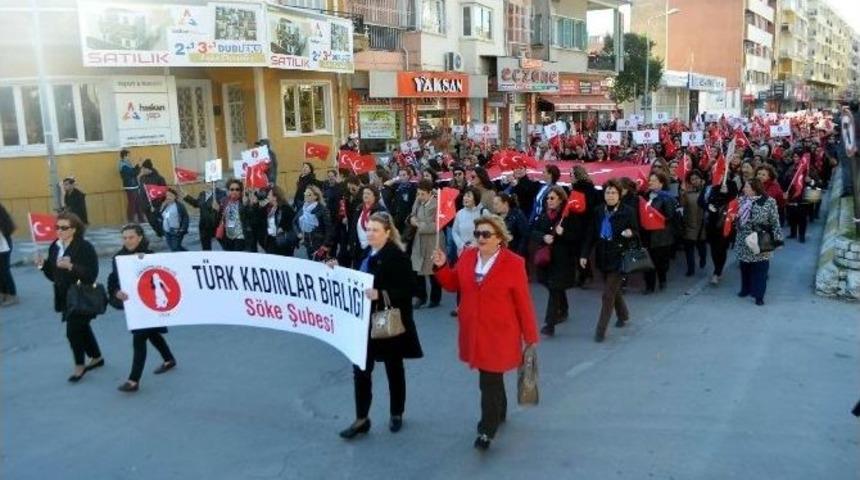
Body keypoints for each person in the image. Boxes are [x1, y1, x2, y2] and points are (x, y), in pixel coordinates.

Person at [432, 215, 539, 450]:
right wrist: (441, 266)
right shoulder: (468, 256)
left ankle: (486, 430)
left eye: (486, 234)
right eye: (477, 233)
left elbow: (523, 302)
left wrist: (530, 336)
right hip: (474, 331)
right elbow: (453, 284)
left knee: (488, 380)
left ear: (499, 238)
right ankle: (500, 412)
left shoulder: (514, 263)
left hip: (499, 333)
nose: (480, 238)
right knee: (491, 375)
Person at [336, 212, 423, 440]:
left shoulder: (396, 255)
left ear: (387, 232)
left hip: (386, 321)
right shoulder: (367, 252)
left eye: (375, 229)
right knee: (361, 371)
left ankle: (396, 412)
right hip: (363, 321)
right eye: (369, 229)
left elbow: (410, 289)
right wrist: (336, 270)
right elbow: (356, 278)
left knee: (394, 368)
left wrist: (381, 293)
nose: (370, 233)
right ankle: (362, 418)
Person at [107, 224, 177, 392]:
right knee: (152, 334)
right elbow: (113, 281)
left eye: (131, 237)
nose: (127, 241)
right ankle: (169, 359)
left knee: (139, 338)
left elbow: (164, 277)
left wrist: (144, 262)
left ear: (139, 237)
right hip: (134, 306)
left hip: (150, 304)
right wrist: (117, 292)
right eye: (124, 238)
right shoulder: (119, 257)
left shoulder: (150, 256)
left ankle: (133, 380)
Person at [35, 212, 104, 382]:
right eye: (57, 227)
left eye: (64, 228)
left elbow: (91, 275)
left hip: (82, 295)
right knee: (82, 327)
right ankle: (97, 357)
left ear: (74, 229)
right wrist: (43, 266)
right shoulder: (55, 246)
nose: (59, 231)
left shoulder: (84, 247)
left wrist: (71, 266)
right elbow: (54, 276)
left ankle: (79, 366)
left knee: (73, 332)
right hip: (64, 296)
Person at [579, 179, 638, 342]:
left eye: (613, 193)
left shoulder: (628, 211)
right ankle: (623, 314)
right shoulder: (598, 211)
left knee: (607, 295)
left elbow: (636, 232)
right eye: (607, 192)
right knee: (613, 290)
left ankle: (600, 331)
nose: (610, 195)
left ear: (619, 195)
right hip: (603, 255)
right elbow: (591, 234)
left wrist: (629, 233)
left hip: (620, 256)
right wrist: (584, 255)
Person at [531, 186, 577, 336]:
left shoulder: (567, 216)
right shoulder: (544, 215)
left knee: (554, 287)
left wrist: (563, 233)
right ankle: (564, 308)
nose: (549, 201)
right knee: (551, 285)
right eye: (547, 198)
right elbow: (533, 231)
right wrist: (543, 237)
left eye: (552, 198)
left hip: (562, 258)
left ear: (560, 200)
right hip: (546, 257)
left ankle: (550, 324)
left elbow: (575, 237)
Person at [735, 178, 783, 305]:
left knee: (761, 269)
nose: (744, 189)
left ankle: (759, 295)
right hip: (744, 239)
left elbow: (775, 221)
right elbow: (736, 218)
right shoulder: (741, 200)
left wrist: (778, 240)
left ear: (754, 189)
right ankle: (745, 289)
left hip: (761, 238)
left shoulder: (769, 202)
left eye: (746, 187)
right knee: (745, 267)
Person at [641, 172, 678, 294]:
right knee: (647, 262)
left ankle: (662, 279)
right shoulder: (645, 196)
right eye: (649, 180)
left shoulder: (667, 198)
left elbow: (670, 216)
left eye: (654, 180)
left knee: (660, 262)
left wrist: (654, 217)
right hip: (647, 235)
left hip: (661, 236)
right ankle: (649, 286)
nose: (650, 182)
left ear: (661, 183)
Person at [409, 180, 442, 309]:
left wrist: (419, 224)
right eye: (418, 194)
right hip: (419, 240)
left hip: (434, 240)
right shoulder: (418, 202)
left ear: (429, 193)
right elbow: (412, 215)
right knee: (418, 269)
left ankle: (435, 297)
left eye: (422, 194)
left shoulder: (437, 204)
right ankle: (421, 297)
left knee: (433, 270)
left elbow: (437, 225)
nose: (420, 197)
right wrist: (412, 219)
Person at [703, 181, 739, 285]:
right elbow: (705, 200)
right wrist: (708, 206)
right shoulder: (713, 184)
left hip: (725, 222)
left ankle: (717, 272)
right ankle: (717, 268)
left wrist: (726, 192)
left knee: (722, 248)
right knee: (714, 249)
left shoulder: (731, 183)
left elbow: (734, 199)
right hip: (712, 222)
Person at [347, 185, 386, 267]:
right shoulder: (359, 208)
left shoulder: (380, 210)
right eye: (364, 193)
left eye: (368, 193)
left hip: (372, 247)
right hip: (358, 247)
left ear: (375, 196)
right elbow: (353, 227)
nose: (365, 195)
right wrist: (350, 243)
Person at [679, 170, 708, 277]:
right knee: (689, 249)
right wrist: (682, 194)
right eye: (692, 179)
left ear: (701, 179)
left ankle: (703, 259)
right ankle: (691, 268)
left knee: (702, 247)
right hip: (690, 225)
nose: (694, 181)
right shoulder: (686, 194)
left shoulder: (707, 191)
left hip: (702, 225)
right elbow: (682, 206)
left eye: (696, 178)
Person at [295, 185, 333, 260]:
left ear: (315, 197)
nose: (306, 196)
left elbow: (329, 229)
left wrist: (325, 245)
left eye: (309, 194)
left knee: (320, 265)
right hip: (308, 242)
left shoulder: (322, 209)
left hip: (319, 243)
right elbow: (295, 221)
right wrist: (298, 232)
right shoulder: (303, 208)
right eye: (305, 194)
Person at [181, 185, 223, 251]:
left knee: (225, 246)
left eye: (209, 182)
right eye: (205, 182)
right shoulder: (202, 194)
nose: (207, 184)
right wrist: (186, 196)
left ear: (214, 183)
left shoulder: (221, 193)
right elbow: (196, 204)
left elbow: (226, 206)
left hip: (216, 225)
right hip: (203, 226)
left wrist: (219, 207)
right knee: (206, 248)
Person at [217, 179, 253, 252]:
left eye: (237, 189)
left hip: (240, 236)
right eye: (232, 189)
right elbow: (219, 217)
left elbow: (250, 218)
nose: (234, 191)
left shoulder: (245, 201)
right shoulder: (224, 201)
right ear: (228, 191)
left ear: (240, 191)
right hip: (228, 236)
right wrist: (215, 210)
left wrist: (246, 205)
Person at [451, 187, 487, 258]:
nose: (465, 198)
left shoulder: (483, 212)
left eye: (468, 196)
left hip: (480, 252)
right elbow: (454, 231)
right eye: (465, 195)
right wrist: (461, 245)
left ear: (475, 199)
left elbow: (489, 232)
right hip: (463, 252)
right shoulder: (459, 213)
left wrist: (476, 243)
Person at [262, 186, 297, 256]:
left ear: (275, 197)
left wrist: (282, 227)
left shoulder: (286, 208)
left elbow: (291, 223)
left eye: (269, 195)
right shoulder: (269, 208)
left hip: (282, 242)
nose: (268, 197)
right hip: (271, 241)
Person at [492, 193, 528, 258]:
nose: (494, 207)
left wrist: (519, 253)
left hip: (514, 251)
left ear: (505, 203)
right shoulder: (496, 217)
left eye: (496, 204)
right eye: (494, 204)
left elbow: (524, 236)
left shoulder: (517, 215)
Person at [119, 149, 145, 223]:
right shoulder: (123, 165)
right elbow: (133, 173)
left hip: (134, 186)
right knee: (132, 204)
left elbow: (133, 170)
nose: (130, 157)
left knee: (137, 203)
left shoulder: (127, 163)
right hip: (130, 186)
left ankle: (141, 219)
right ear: (125, 156)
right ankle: (130, 219)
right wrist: (139, 167)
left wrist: (138, 165)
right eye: (128, 155)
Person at [0, 202, 17, 307]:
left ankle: (12, 294)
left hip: (3, 244)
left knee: (4, 270)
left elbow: (8, 227)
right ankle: (2, 293)